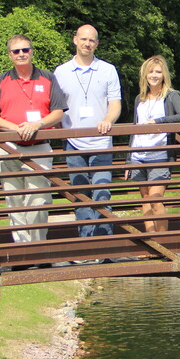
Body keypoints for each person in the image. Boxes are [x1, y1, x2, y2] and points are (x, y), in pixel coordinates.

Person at [0, 35, 67, 244]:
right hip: (8, 147)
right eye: (16, 51)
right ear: (9, 55)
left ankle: (38, 247)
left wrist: (37, 124)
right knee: (13, 199)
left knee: (39, 199)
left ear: (32, 52)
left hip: (39, 146)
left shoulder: (47, 78)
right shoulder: (0, 80)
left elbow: (58, 112)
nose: (21, 54)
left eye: (25, 50)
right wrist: (15, 128)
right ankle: (22, 250)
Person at [54, 24, 122, 244]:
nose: (87, 43)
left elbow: (115, 104)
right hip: (73, 142)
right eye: (83, 39)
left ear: (97, 43)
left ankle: (104, 244)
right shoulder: (61, 71)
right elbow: (55, 107)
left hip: (101, 141)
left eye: (92, 40)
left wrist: (108, 120)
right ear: (75, 40)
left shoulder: (108, 69)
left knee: (103, 193)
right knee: (80, 195)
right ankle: (86, 244)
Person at [128, 55, 180, 232]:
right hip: (138, 155)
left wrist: (158, 122)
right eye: (150, 71)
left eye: (158, 71)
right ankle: (151, 241)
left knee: (156, 198)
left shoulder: (171, 96)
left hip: (160, 154)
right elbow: (134, 128)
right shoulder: (139, 98)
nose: (154, 75)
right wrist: (128, 158)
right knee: (145, 199)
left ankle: (164, 242)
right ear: (144, 74)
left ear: (164, 75)